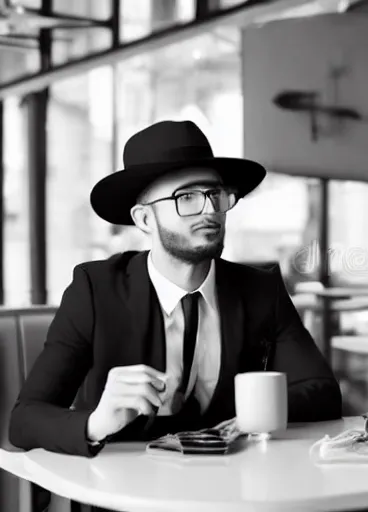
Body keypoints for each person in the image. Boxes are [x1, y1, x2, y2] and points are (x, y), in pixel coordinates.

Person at [8, 120, 342, 457]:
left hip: (235, 490)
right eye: (187, 197)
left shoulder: (260, 289)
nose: (211, 210)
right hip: (124, 493)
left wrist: (254, 412)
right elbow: (24, 420)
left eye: (215, 194)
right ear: (144, 220)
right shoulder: (95, 290)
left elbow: (323, 392)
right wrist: (96, 423)